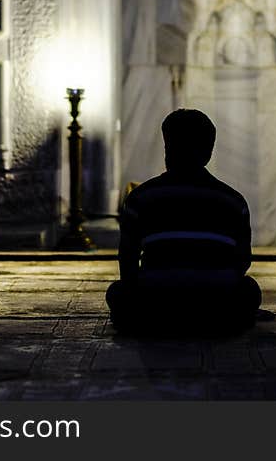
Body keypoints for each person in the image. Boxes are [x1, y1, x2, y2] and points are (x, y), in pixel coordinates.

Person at [106, 109, 262, 334]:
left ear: (167, 147)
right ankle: (214, 319)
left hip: (157, 298)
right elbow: (242, 261)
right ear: (208, 152)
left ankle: (156, 319)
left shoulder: (141, 197)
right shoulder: (234, 201)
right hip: (216, 300)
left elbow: (128, 260)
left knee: (117, 293)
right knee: (250, 290)